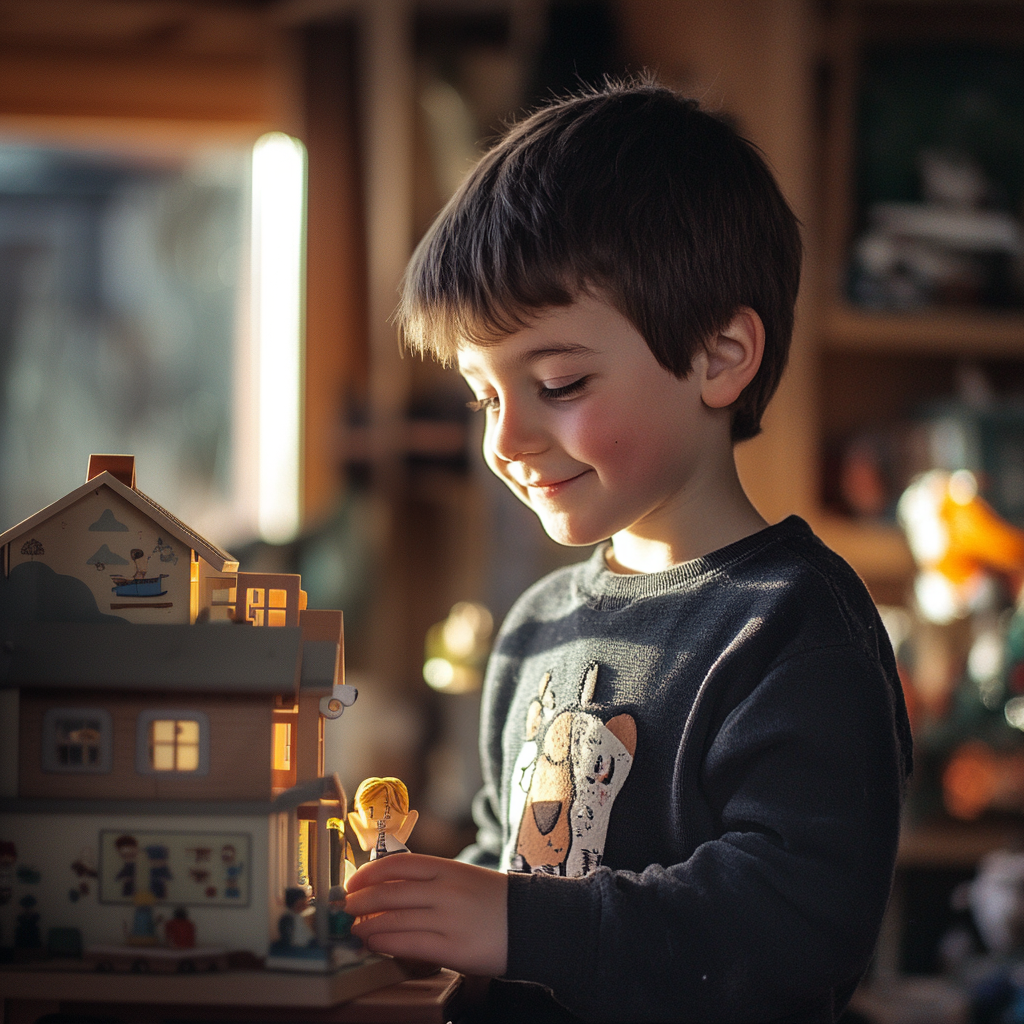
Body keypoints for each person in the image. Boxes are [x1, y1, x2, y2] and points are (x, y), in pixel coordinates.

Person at [344, 79, 912, 1023]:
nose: (506, 440)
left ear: (721, 356)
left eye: (559, 381)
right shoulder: (535, 629)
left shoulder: (793, 627)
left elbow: (794, 930)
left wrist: (520, 924)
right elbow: (511, 867)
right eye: (486, 396)